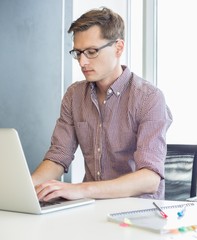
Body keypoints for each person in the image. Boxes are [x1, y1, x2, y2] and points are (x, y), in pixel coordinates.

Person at [31, 7, 172, 201]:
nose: (82, 62)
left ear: (118, 47)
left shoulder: (149, 98)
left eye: (91, 52)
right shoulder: (74, 95)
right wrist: (26, 189)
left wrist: (81, 190)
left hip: (137, 214)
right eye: (78, 53)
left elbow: (149, 179)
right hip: (91, 211)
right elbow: (58, 157)